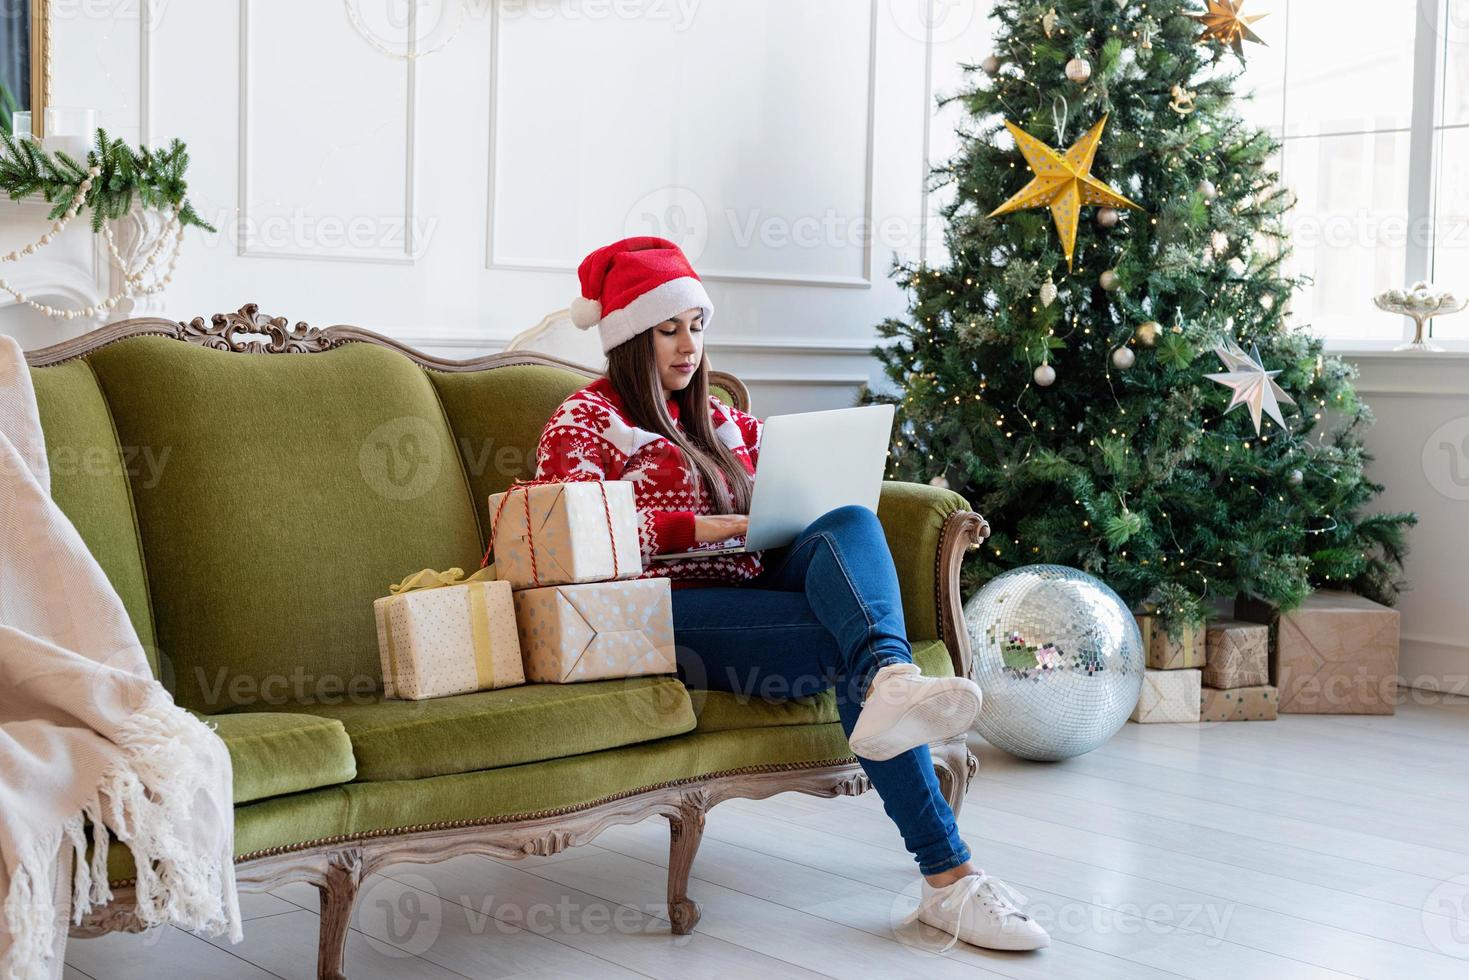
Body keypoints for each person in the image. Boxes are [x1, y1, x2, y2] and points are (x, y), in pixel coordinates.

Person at [532, 236, 1049, 953]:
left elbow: (791, 489)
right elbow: (573, 534)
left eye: (696, 326)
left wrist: (798, 496)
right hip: (652, 612)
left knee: (849, 520)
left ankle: (891, 682)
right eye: (667, 329)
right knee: (845, 647)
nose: (688, 346)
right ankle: (949, 876)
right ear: (628, 338)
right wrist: (709, 523)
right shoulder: (581, 421)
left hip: (749, 584)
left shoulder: (716, 417)